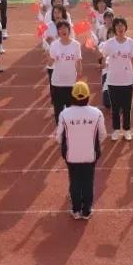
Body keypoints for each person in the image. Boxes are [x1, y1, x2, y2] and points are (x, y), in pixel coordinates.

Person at [55, 81, 107, 220]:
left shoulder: (64, 114)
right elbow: (103, 135)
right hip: (91, 154)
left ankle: (76, 209)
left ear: (72, 96)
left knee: (74, 180)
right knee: (88, 181)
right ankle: (87, 211)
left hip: (71, 155)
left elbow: (58, 136)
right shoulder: (97, 113)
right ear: (88, 96)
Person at [99, 18, 133, 141]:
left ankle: (127, 130)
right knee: (115, 108)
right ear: (114, 28)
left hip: (127, 79)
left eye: (122, 25)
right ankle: (116, 130)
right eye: (118, 26)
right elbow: (103, 59)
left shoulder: (131, 42)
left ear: (125, 27)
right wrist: (102, 62)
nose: (120, 28)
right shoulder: (109, 43)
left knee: (127, 107)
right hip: (113, 80)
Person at [46, 20, 83, 126]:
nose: (63, 30)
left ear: (69, 30)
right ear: (58, 31)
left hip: (71, 82)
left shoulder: (76, 45)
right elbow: (50, 63)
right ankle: (60, 130)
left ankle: (70, 130)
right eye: (60, 28)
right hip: (57, 82)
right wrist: (49, 57)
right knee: (58, 110)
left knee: (71, 110)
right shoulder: (54, 45)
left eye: (65, 28)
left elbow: (78, 62)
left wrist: (79, 75)